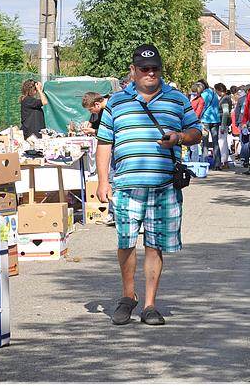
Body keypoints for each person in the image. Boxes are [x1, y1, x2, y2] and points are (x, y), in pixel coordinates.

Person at [95, 44, 202, 326]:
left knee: (155, 246)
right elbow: (104, 143)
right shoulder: (116, 103)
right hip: (128, 185)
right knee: (126, 242)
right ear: (133, 71)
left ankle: (151, 305)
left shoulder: (177, 99)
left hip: (164, 184)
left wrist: (179, 137)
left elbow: (196, 132)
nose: (150, 73)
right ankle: (128, 296)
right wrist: (103, 181)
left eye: (155, 68)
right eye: (144, 69)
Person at [198, 80, 221, 170]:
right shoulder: (214, 93)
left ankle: (204, 163)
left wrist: (198, 117)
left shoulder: (204, 95)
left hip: (205, 120)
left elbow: (202, 106)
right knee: (216, 143)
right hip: (215, 119)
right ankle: (217, 164)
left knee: (205, 143)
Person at [216, 83, 233, 170]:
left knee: (222, 143)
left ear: (219, 90)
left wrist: (222, 126)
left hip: (223, 123)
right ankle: (224, 161)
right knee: (223, 142)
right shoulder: (226, 98)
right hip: (224, 122)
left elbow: (225, 112)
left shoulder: (225, 99)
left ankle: (224, 162)